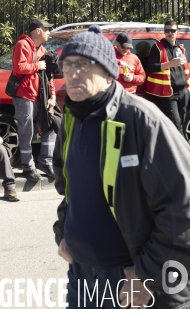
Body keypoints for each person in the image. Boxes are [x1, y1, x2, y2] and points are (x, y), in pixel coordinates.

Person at [53, 25, 190, 309]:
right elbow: (69, 187)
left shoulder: (141, 120)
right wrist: (63, 232)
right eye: (67, 65)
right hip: (82, 274)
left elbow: (183, 206)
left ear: (107, 71)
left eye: (84, 65)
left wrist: (147, 276)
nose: (73, 73)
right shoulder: (71, 117)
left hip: (130, 278)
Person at [11, 19, 57, 181]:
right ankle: (28, 167)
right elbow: (19, 67)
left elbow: (48, 75)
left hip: (41, 96)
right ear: (37, 31)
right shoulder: (22, 45)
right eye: (46, 29)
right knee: (26, 131)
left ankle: (45, 160)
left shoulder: (42, 49)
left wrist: (53, 95)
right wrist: (38, 66)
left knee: (50, 125)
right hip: (25, 96)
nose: (49, 33)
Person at [146, 19, 190, 133]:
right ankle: (181, 149)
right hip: (169, 93)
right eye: (167, 30)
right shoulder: (158, 47)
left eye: (172, 30)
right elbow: (150, 67)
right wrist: (169, 64)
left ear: (177, 32)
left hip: (183, 91)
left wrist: (188, 87)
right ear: (164, 32)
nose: (170, 33)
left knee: (182, 122)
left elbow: (185, 69)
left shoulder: (181, 48)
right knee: (176, 125)